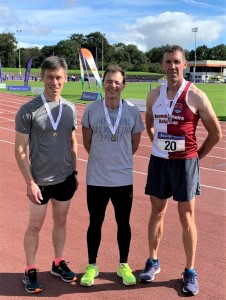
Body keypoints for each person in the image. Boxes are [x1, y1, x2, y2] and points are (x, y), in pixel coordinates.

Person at [139, 45, 222, 295]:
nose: (172, 66)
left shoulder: (196, 95)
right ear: (162, 66)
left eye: (177, 62)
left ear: (184, 65)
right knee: (157, 212)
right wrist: (157, 142)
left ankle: (190, 270)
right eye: (168, 62)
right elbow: (149, 122)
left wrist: (196, 157)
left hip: (185, 163)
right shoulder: (154, 96)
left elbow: (216, 133)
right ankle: (153, 261)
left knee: (186, 217)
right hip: (159, 161)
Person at [15, 56, 79, 294]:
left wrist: (74, 171)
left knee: (61, 222)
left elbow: (72, 140)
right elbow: (20, 150)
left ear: (65, 79)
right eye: (50, 77)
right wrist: (30, 182)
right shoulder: (28, 110)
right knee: (35, 226)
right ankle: (30, 269)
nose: (55, 81)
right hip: (39, 182)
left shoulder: (71, 108)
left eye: (59, 77)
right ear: (41, 77)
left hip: (64, 178)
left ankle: (57, 263)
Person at [80, 65, 144, 287]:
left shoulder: (133, 111)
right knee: (95, 222)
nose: (113, 86)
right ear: (103, 83)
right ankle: (92, 265)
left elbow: (135, 143)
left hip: (123, 179)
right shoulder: (91, 110)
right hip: (97, 178)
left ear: (123, 85)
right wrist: (103, 159)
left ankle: (123, 264)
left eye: (117, 82)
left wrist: (119, 159)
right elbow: (86, 141)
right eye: (109, 81)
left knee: (123, 223)